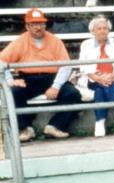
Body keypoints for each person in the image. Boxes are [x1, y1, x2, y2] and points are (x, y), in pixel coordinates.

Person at [0, 8, 83, 141]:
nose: (39, 27)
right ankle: (25, 128)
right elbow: (1, 61)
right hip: (28, 79)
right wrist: (11, 80)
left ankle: (55, 126)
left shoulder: (55, 40)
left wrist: (55, 86)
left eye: (41, 23)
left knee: (73, 94)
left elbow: (66, 65)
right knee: (14, 92)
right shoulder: (20, 41)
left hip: (51, 78)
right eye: (34, 24)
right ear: (27, 26)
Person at [77, 15, 114, 137]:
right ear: (92, 31)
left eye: (105, 28)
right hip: (92, 78)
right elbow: (83, 66)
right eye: (99, 28)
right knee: (102, 84)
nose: (103, 31)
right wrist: (97, 77)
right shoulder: (86, 44)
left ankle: (100, 122)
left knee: (101, 88)